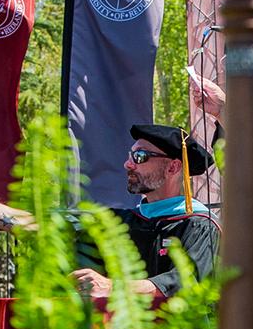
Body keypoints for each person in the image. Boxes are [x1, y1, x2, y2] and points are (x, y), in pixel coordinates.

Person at [71, 124, 220, 300]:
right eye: (130, 156)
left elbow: (184, 282)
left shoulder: (199, 225)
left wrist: (113, 287)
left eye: (139, 156)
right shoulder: (121, 222)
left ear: (173, 167)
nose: (128, 164)